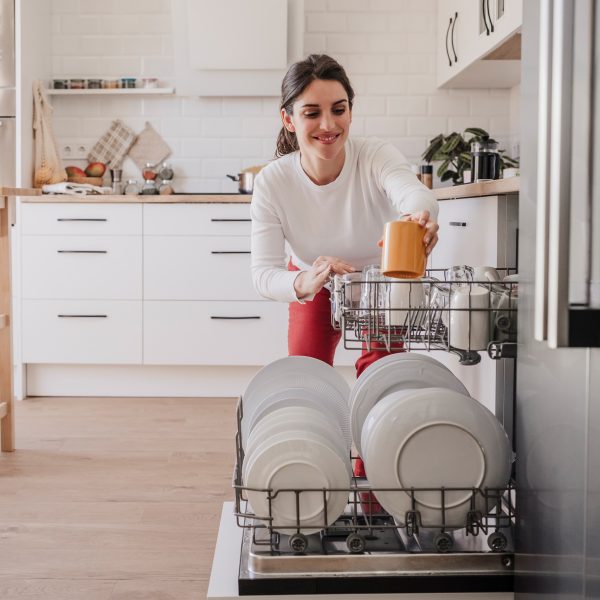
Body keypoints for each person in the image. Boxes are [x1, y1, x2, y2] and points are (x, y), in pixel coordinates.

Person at [250, 54, 439, 377]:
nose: (328, 125)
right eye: (312, 113)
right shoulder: (273, 181)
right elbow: (264, 274)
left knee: (382, 374)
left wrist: (420, 215)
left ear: (350, 112)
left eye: (339, 109)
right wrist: (307, 279)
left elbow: (412, 192)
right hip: (314, 279)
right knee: (307, 372)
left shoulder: (374, 155)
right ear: (289, 119)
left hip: (379, 281)